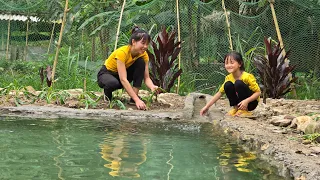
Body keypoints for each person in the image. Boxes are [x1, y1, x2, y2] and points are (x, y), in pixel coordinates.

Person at [97, 27, 159, 110]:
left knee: (140, 62)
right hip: (107, 74)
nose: (145, 46)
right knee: (112, 83)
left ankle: (133, 98)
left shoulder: (144, 55)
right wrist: (138, 100)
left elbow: (146, 78)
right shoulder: (122, 53)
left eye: (147, 44)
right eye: (143, 43)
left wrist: (152, 87)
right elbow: (123, 79)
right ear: (133, 42)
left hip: (122, 76)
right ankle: (107, 97)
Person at [200, 51, 261, 117]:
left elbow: (258, 93)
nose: (229, 65)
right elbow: (219, 93)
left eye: (232, 63)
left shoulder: (247, 76)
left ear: (240, 64)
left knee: (238, 83)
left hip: (251, 103)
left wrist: (246, 101)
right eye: (226, 63)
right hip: (239, 103)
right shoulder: (228, 78)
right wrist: (206, 107)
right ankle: (236, 108)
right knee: (227, 85)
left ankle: (244, 110)